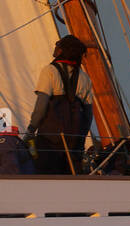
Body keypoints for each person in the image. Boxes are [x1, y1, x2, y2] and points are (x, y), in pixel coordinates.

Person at [24, 35, 94, 174]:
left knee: (45, 177)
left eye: (58, 45)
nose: (55, 48)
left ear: (62, 50)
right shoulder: (85, 78)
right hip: (74, 142)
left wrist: (31, 130)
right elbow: (88, 115)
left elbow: (41, 105)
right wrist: (80, 140)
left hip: (49, 140)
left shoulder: (50, 71)